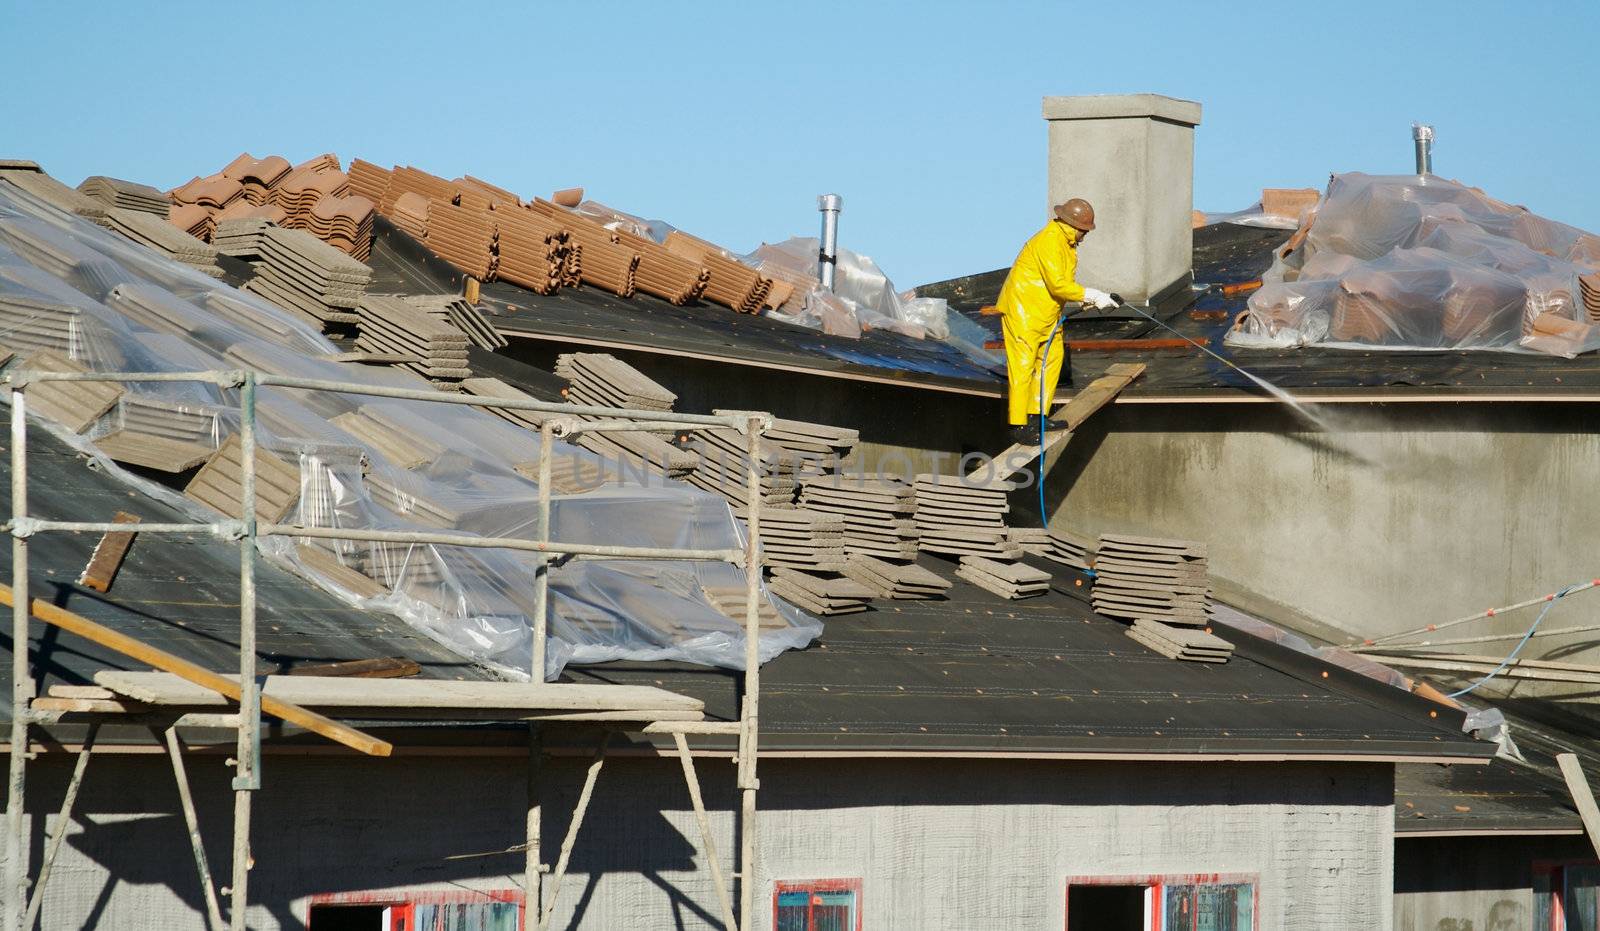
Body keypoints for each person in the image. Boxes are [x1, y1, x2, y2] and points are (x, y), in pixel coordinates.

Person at [995, 198, 1117, 446]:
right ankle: (1018, 424)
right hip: (1024, 313)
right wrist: (1091, 295)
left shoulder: (1066, 243)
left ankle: (1037, 416)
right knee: (1022, 367)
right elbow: (1058, 284)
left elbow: (1059, 286)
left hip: (1047, 314)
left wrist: (1091, 299)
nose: (1085, 236)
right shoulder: (1050, 241)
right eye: (1085, 230)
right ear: (1075, 226)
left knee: (1051, 361)